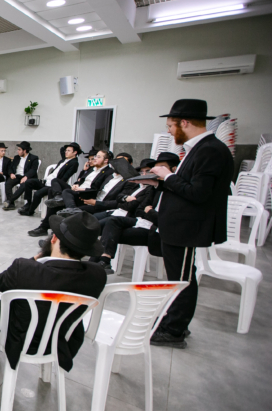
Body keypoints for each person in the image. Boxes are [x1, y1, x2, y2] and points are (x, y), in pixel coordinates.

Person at [147, 99, 234, 348]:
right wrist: (161, 181)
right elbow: (188, 185)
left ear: (184, 123)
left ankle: (174, 330)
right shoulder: (199, 148)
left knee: (182, 279)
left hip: (188, 226)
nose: (168, 131)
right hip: (178, 224)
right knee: (178, 276)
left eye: (170, 126)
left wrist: (168, 176)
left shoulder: (210, 150)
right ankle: (174, 320)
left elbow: (198, 193)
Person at [0, 212, 106, 374]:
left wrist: (38, 257)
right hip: (59, 340)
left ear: (54, 239)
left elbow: (1, 282)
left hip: (18, 339)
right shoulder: (97, 276)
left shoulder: (24, 268)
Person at [91, 153, 179, 273]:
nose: (145, 174)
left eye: (162, 167)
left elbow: (140, 210)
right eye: (142, 171)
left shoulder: (166, 189)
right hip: (134, 219)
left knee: (108, 232)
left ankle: (98, 263)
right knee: (108, 223)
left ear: (173, 169)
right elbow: (137, 209)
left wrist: (149, 212)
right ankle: (102, 261)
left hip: (154, 230)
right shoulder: (153, 187)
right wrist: (136, 205)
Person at [56, 157, 138, 219]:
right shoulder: (111, 176)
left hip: (101, 205)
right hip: (92, 198)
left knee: (72, 213)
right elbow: (96, 188)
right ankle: (71, 210)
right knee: (66, 195)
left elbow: (118, 201)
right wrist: (86, 193)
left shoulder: (128, 182)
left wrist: (96, 203)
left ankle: (69, 218)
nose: (113, 167)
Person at [19, 143, 80, 217]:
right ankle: (28, 203)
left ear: (75, 152)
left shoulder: (74, 163)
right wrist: (72, 147)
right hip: (46, 181)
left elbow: (65, 178)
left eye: (68, 151)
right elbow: (62, 149)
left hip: (53, 185)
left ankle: (30, 211)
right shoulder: (63, 160)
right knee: (28, 182)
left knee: (37, 194)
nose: (66, 152)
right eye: (66, 150)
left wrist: (78, 148)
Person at [44, 149, 113, 210]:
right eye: (95, 156)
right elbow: (80, 180)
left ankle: (72, 210)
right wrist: (77, 183)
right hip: (77, 190)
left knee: (67, 192)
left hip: (85, 193)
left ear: (106, 160)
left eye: (98, 157)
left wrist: (81, 189)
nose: (95, 159)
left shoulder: (108, 172)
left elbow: (96, 188)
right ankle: (58, 198)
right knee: (54, 182)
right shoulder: (92, 169)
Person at [2, 141, 40, 211]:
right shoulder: (16, 157)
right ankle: (11, 204)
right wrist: (11, 173)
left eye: (19, 150)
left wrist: (26, 177)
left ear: (24, 151)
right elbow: (11, 167)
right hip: (17, 176)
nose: (17, 151)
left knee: (24, 185)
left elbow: (33, 170)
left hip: (27, 177)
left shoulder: (33, 158)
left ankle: (10, 200)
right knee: (8, 183)